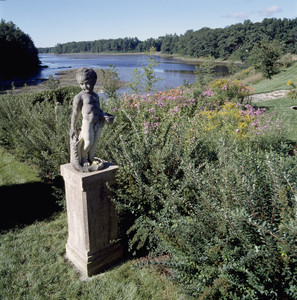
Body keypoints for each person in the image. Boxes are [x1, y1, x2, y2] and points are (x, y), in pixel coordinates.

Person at [70, 68, 105, 170]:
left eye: (86, 83)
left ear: (93, 81)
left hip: (98, 122)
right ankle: (84, 158)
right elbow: (75, 113)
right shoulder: (79, 97)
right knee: (88, 141)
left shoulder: (95, 96)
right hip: (87, 123)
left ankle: (91, 157)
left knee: (95, 141)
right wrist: (72, 127)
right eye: (81, 84)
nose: (84, 87)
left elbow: (98, 109)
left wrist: (104, 114)